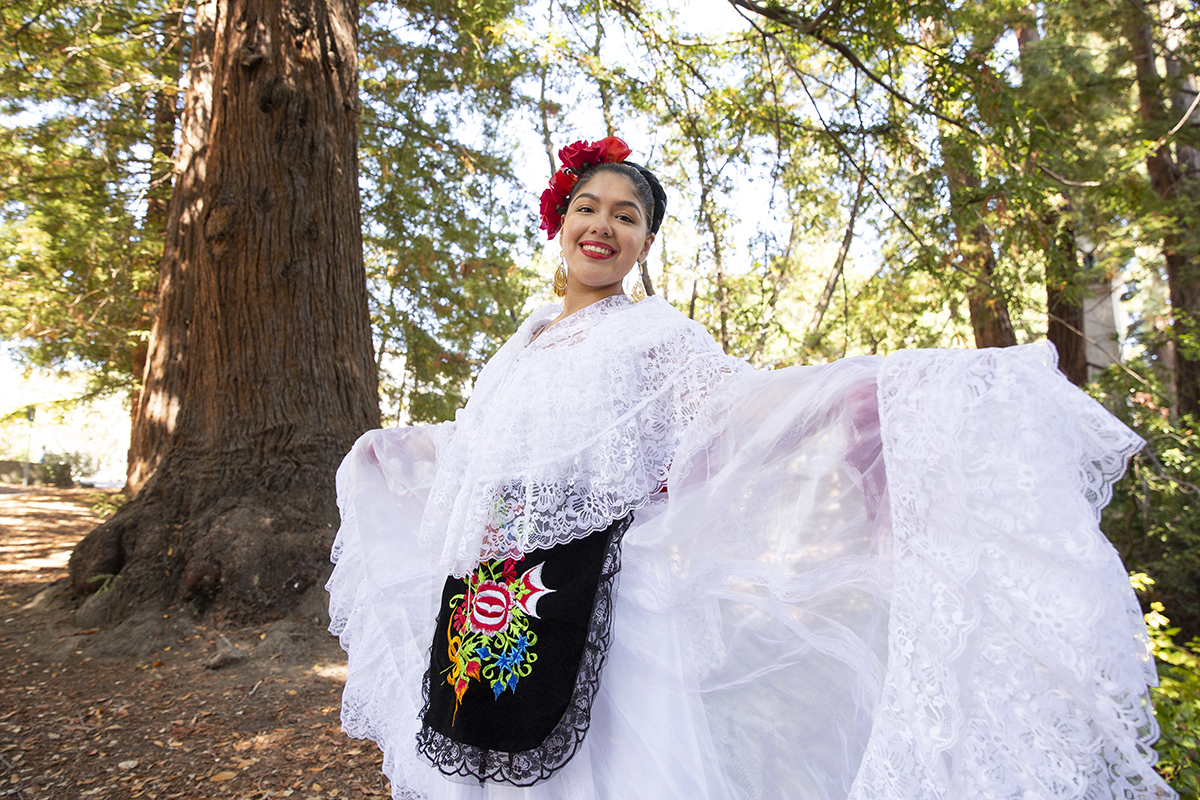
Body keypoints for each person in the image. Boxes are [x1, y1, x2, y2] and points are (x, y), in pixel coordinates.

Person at [327, 137, 1176, 800]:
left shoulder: (654, 336)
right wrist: (402, 447)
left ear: (644, 243)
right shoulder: (521, 343)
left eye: (627, 216)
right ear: (560, 222)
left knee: (603, 770)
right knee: (485, 754)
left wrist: (867, 390)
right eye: (590, 206)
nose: (604, 224)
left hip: (602, 593)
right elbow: (489, 446)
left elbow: (736, 406)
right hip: (495, 596)